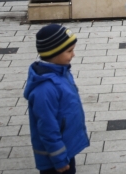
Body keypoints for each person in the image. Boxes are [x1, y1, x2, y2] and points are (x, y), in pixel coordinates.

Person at [25, 25, 88, 174]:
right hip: (54, 158)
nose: (73, 54)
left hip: (66, 149)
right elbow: (47, 128)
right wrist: (59, 158)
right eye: (69, 51)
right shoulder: (45, 89)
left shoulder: (61, 72)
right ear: (54, 53)